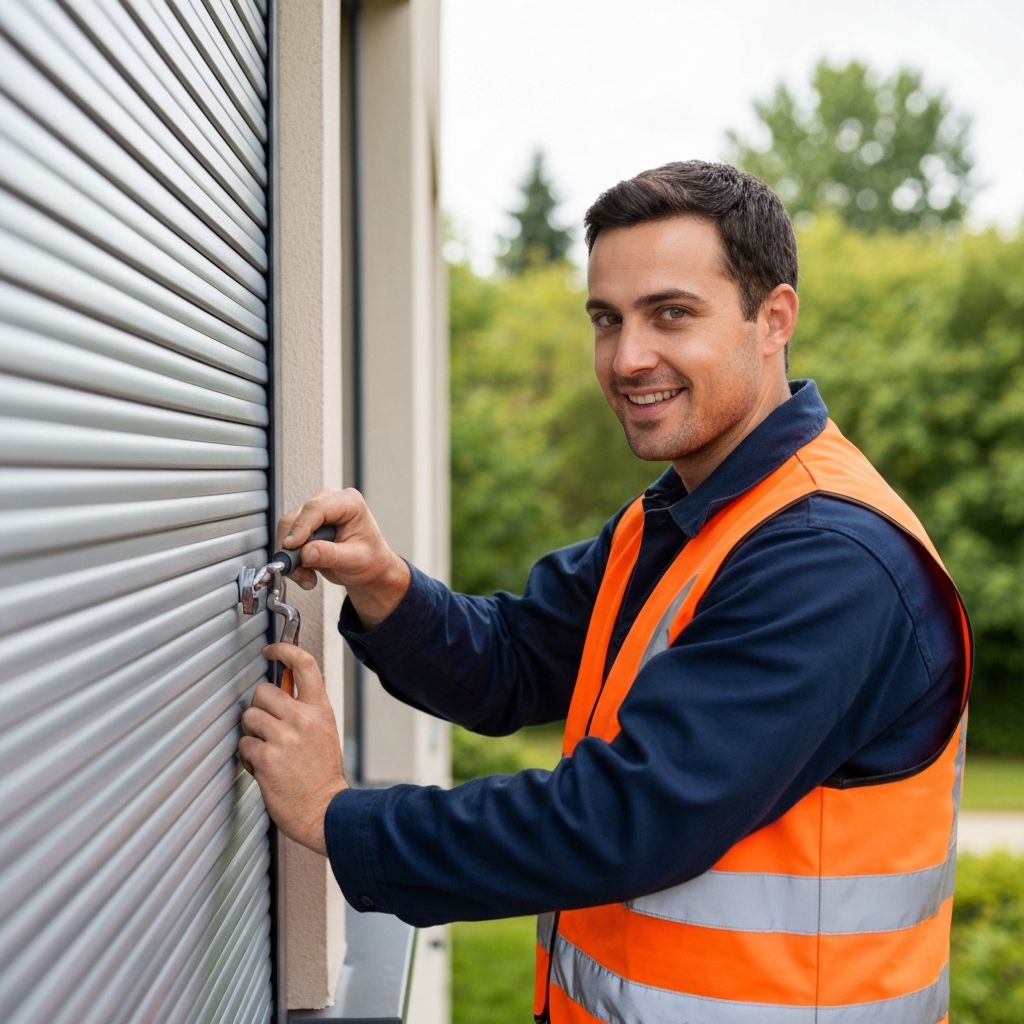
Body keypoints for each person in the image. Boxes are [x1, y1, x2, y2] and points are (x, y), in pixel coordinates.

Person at [239, 160, 971, 1024]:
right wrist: (385, 585)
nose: (628, 358)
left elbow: (622, 818)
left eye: (671, 314)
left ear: (772, 319)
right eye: (606, 319)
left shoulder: (830, 560)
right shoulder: (677, 521)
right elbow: (512, 663)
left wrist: (338, 817)